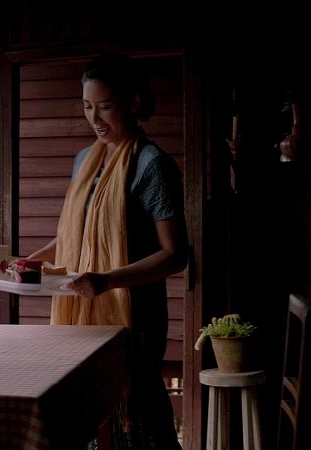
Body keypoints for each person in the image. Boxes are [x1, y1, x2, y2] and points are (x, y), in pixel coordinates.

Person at [22, 52, 188, 449]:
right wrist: (30, 261)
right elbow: (75, 237)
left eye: (105, 107)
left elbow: (175, 254)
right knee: (89, 413)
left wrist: (108, 280)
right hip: (83, 307)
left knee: (138, 416)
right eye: (87, 107)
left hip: (134, 316)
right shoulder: (85, 160)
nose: (94, 119)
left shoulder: (152, 165)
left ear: (133, 103)